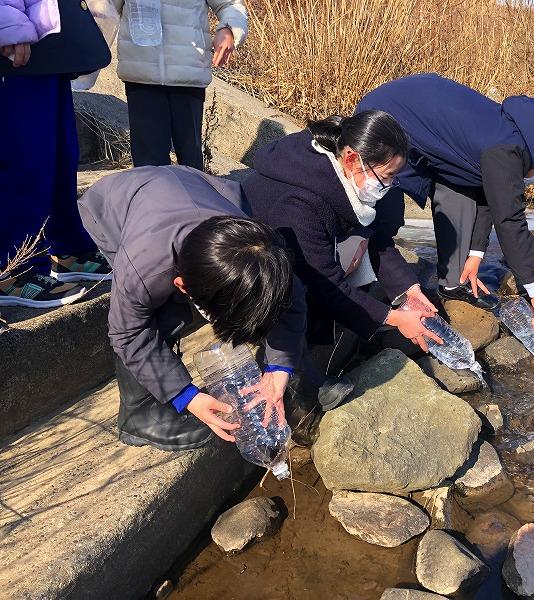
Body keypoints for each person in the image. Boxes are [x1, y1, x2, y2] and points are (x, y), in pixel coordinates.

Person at [78, 165, 307, 451]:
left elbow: (289, 299)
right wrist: (186, 395)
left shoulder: (262, 253)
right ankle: (138, 415)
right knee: (164, 316)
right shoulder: (141, 269)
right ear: (182, 285)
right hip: (114, 203)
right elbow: (127, 332)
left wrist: (279, 367)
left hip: (192, 186)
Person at [356, 74, 534, 336]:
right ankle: (361, 286)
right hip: (386, 118)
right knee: (384, 217)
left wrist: (476, 255)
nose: (532, 181)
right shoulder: (507, 148)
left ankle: (453, 284)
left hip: (418, 122)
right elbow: (510, 221)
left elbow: (488, 193)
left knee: (461, 191)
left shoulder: (517, 135)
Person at [241, 110, 442, 368]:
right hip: (258, 272)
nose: (390, 185)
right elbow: (324, 282)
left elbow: (378, 240)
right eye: (386, 176)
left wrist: (409, 289)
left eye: (395, 176)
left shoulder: (344, 172)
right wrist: (393, 318)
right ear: (351, 159)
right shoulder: (300, 204)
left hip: (305, 257)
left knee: (361, 245)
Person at [1, 0, 113, 308]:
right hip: (14, 44)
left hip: (47, 41)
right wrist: (8, 26)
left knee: (60, 155)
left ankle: (68, 249)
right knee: (25, 158)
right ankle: (13, 269)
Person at [113, 0, 247, 169]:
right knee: (149, 165)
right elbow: (105, 8)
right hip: (141, 71)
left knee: (190, 161)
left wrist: (228, 29)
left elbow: (230, 4)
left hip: (189, 72)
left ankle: (194, 186)